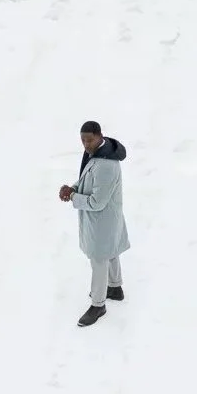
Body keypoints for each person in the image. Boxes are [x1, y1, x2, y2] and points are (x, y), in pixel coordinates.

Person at [59, 121, 130, 327]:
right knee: (111, 250)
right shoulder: (98, 154)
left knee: (99, 259)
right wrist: (72, 188)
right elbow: (88, 184)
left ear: (100, 136)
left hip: (102, 219)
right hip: (106, 220)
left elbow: (96, 202)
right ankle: (115, 288)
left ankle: (98, 305)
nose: (86, 144)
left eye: (89, 140)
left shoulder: (107, 164)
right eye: (83, 140)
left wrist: (73, 196)